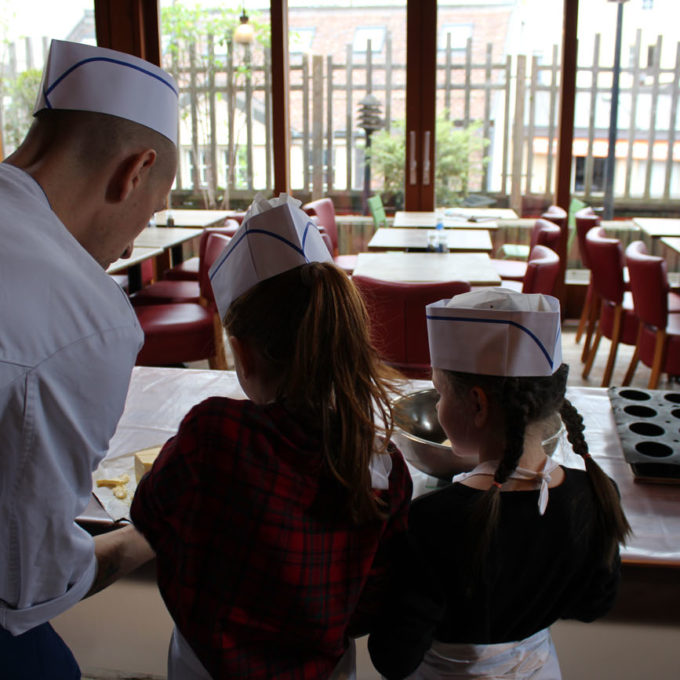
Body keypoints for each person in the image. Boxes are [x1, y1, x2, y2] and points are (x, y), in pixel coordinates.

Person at [131, 194, 413, 680]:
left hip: (205, 667)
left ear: (242, 352)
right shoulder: (383, 467)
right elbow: (369, 608)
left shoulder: (214, 433)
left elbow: (150, 517)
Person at [0, 39, 178, 677]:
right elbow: (30, 583)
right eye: (153, 210)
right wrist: (138, 540)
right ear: (135, 171)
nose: (134, 239)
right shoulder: (83, 316)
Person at [368, 288, 631, 680]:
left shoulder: (434, 520)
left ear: (477, 404)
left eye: (440, 393)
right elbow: (593, 604)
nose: (438, 406)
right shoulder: (592, 492)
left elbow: (393, 657)